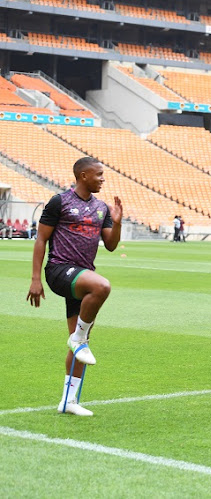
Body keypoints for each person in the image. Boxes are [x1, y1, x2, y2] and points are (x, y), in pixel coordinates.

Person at [26, 157, 123, 416]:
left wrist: (117, 222)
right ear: (83, 176)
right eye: (99, 174)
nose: (103, 178)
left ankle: (69, 401)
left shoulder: (101, 208)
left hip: (81, 277)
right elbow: (41, 240)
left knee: (81, 346)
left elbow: (111, 245)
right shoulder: (60, 202)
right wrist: (36, 279)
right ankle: (78, 338)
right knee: (102, 286)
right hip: (59, 270)